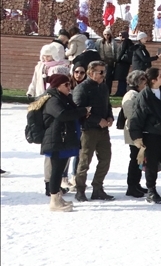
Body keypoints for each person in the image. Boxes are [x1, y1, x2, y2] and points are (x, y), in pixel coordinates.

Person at [129, 67, 161, 204]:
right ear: (153, 80)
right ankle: (151, 190)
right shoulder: (143, 97)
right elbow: (136, 118)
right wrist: (137, 137)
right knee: (151, 165)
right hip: (151, 135)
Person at [39, 74, 87, 212]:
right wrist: (83, 111)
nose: (69, 87)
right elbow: (62, 115)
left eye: (69, 84)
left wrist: (82, 113)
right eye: (66, 85)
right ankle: (54, 200)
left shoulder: (64, 98)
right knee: (56, 171)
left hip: (64, 139)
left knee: (59, 171)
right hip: (56, 140)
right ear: (57, 86)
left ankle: (58, 197)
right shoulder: (52, 99)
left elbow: (71, 113)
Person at [71, 61, 115, 202]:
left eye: (104, 71)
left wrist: (109, 116)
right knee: (84, 162)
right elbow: (79, 110)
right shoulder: (82, 89)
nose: (103, 74)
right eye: (100, 72)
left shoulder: (103, 87)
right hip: (88, 130)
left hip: (103, 130)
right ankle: (80, 190)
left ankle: (97, 188)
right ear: (90, 73)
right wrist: (97, 120)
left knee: (105, 159)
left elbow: (107, 104)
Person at [119, 70, 150, 198]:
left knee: (139, 160)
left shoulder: (138, 94)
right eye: (143, 80)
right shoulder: (131, 95)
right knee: (135, 159)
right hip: (134, 132)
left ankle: (136, 184)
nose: (145, 83)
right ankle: (131, 186)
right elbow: (132, 115)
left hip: (138, 131)